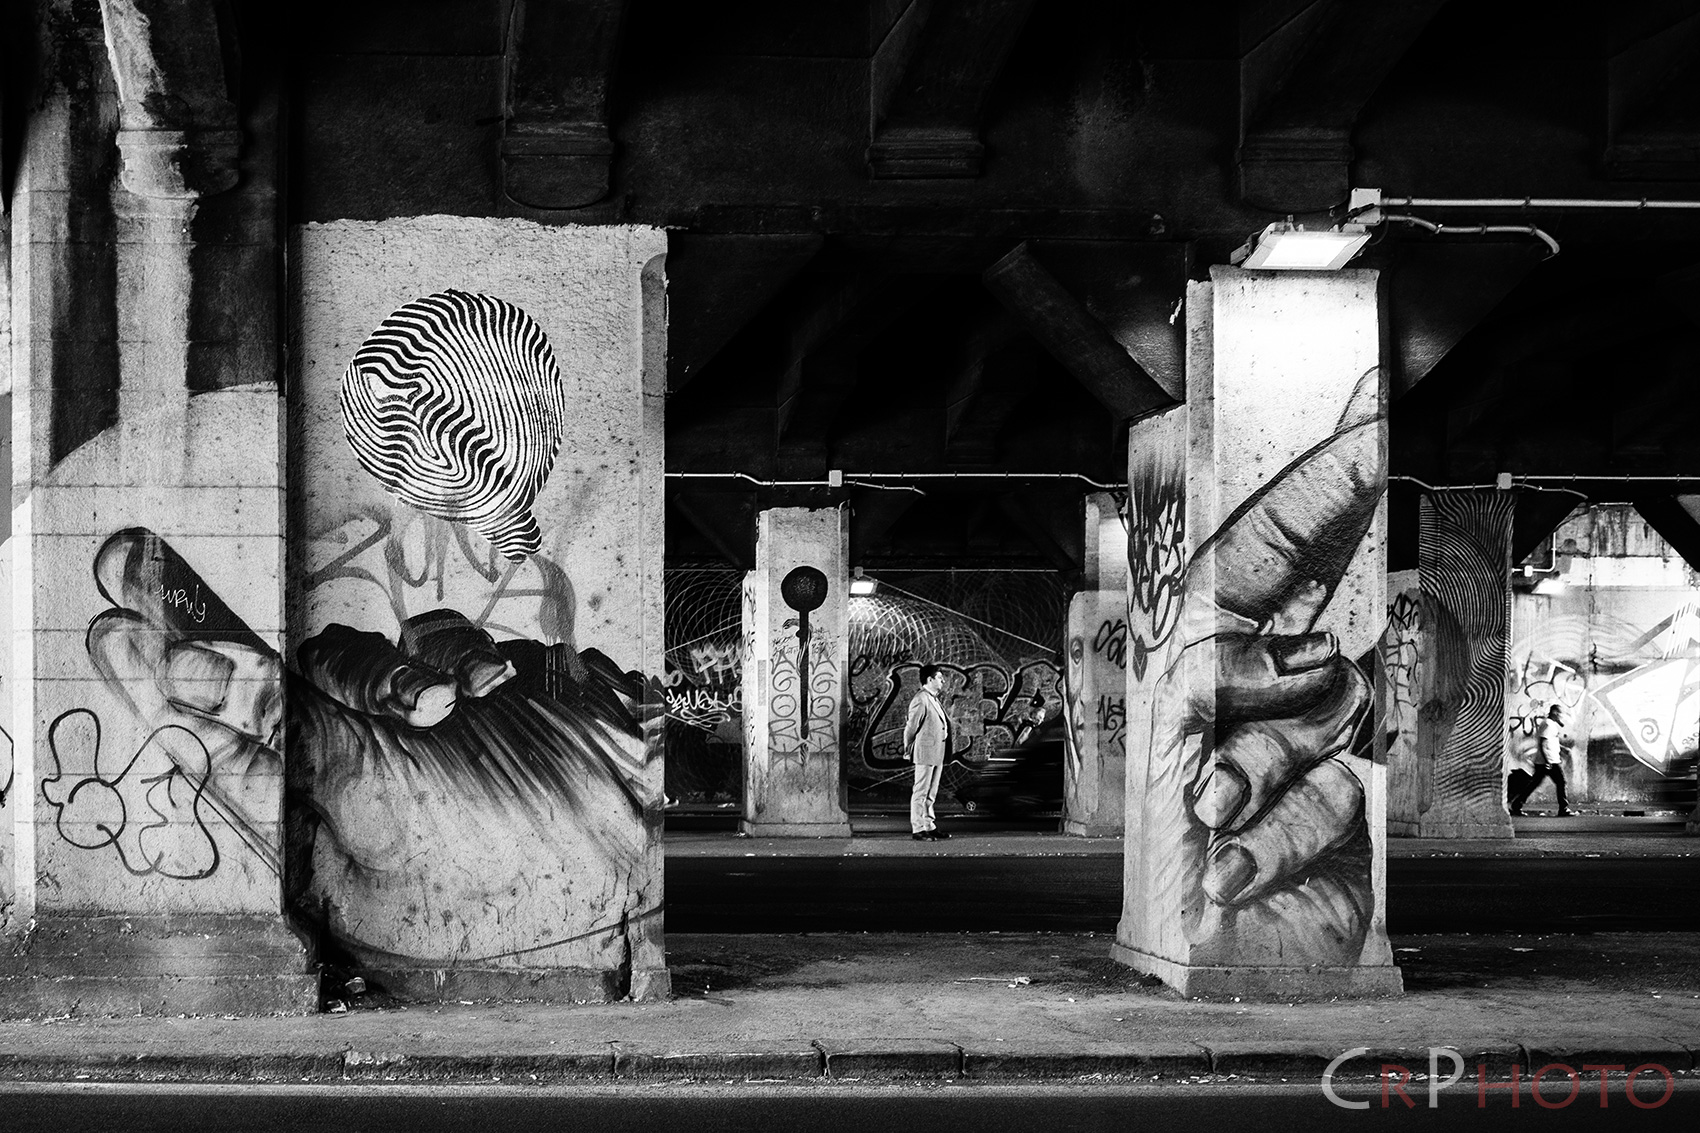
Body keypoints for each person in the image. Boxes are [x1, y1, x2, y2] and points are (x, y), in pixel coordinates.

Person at [904, 664, 950, 841]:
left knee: (931, 793)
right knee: (921, 791)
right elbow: (911, 727)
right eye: (939, 678)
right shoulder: (921, 699)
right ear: (930, 679)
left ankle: (929, 825)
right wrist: (908, 748)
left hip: (937, 752)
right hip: (925, 751)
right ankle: (918, 828)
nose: (943, 681)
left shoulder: (933, 698)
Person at [1511, 704, 1573, 816]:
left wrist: (1563, 749)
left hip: (1546, 761)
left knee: (1534, 784)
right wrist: (1547, 761)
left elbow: (1549, 742)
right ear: (1555, 713)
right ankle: (1563, 809)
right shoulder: (1548, 724)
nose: (1562, 717)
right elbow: (1542, 743)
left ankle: (1517, 805)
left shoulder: (1550, 724)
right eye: (1561, 714)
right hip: (1549, 761)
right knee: (1561, 782)